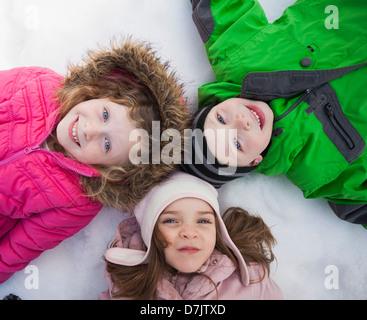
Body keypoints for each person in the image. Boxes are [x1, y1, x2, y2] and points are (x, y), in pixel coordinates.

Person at [0, 38, 189, 284]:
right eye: (105, 114)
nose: (91, 130)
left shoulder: (78, 202)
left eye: (107, 144)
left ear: (112, 170)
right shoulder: (39, 84)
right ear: (102, 92)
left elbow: (18, 248)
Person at [182, 0, 367, 225]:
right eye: (237, 144)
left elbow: (222, 9)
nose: (241, 122)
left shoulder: (239, 58)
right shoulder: (314, 170)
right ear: (253, 162)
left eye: (220, 119)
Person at [99, 172, 283, 300]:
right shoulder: (128, 288)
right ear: (150, 233)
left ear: (218, 231)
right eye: (171, 221)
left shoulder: (250, 279)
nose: (189, 232)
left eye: (203, 221)